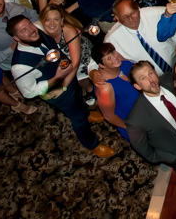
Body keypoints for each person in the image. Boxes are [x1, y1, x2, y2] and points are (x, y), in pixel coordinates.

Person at [7, 16, 115, 158]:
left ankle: (87, 114)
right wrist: (57, 77)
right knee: (78, 119)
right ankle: (91, 144)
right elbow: (29, 93)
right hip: (58, 93)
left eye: (29, 25)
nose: (31, 30)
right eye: (24, 30)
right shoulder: (19, 67)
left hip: (71, 77)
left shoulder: (38, 29)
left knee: (80, 98)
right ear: (16, 38)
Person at [125, 61, 176, 189]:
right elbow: (141, 147)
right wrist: (163, 157)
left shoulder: (170, 80)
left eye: (150, 73)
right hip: (173, 151)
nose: (150, 79)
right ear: (137, 86)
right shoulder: (136, 119)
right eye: (143, 78)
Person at [39, 4, 94, 103]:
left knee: (80, 79)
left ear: (61, 21)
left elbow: (76, 62)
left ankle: (90, 89)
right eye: (47, 19)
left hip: (83, 56)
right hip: (64, 59)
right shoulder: (39, 32)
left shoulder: (69, 31)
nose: (52, 23)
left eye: (56, 19)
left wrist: (63, 87)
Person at [92, 42, 139, 140]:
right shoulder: (104, 87)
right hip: (134, 120)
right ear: (101, 65)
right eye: (108, 58)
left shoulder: (120, 62)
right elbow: (109, 116)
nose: (115, 58)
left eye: (113, 53)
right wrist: (130, 129)